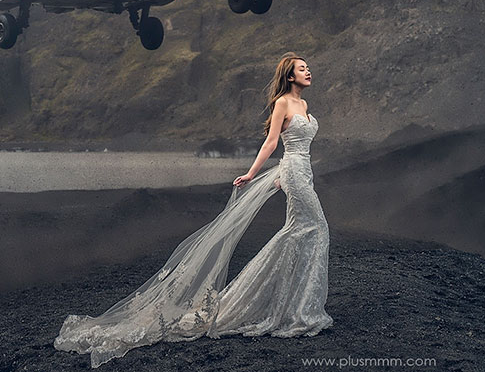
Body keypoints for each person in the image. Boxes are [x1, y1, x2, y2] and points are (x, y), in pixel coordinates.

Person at [54, 53, 333, 368]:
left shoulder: (305, 106)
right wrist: (253, 174)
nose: (308, 70)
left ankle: (295, 304)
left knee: (299, 232)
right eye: (301, 68)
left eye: (308, 67)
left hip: (301, 171)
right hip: (294, 172)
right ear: (289, 75)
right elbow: (271, 143)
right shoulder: (283, 102)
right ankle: (300, 308)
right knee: (316, 229)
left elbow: (301, 147)